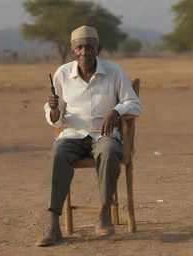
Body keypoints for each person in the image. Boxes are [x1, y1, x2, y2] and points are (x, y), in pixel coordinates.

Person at [36, 25, 142, 246]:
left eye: (89, 47)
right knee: (56, 155)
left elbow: (134, 104)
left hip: (102, 136)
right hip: (72, 135)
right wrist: (54, 110)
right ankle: (53, 224)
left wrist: (115, 111)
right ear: (72, 50)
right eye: (80, 47)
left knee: (109, 150)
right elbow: (56, 118)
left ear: (99, 49)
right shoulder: (63, 73)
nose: (85, 52)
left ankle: (103, 214)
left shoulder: (114, 71)